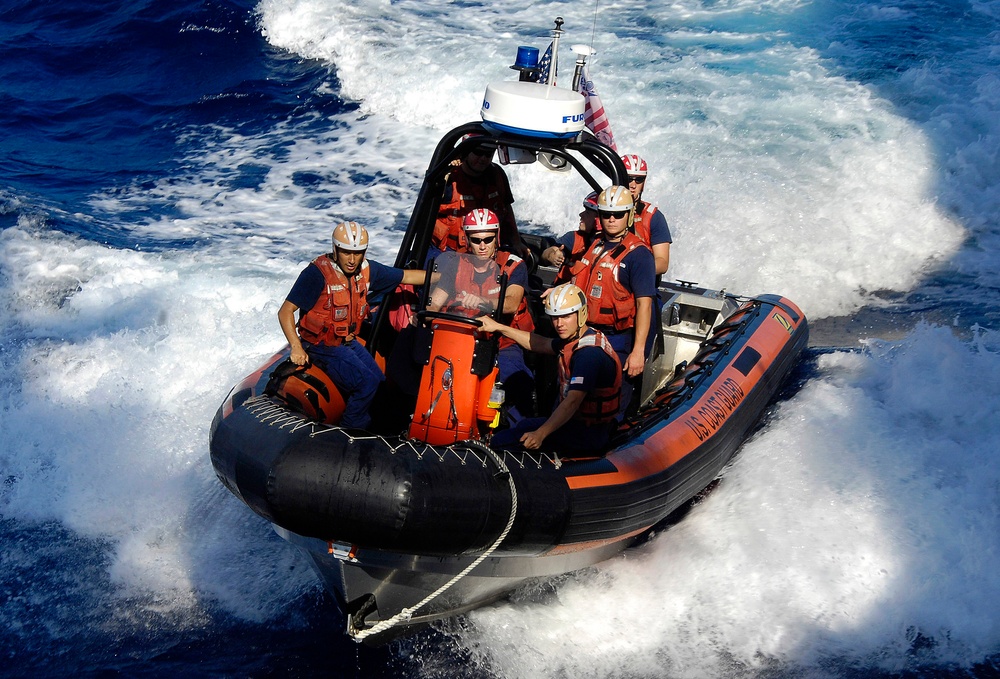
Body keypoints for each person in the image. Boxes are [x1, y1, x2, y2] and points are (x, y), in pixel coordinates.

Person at [278, 221, 428, 430]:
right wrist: (296, 347)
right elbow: (285, 311)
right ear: (335, 249)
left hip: (347, 342)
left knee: (379, 380)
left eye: (357, 253)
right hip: (321, 345)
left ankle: (378, 426)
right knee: (366, 383)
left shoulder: (367, 269)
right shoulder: (316, 274)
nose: (351, 259)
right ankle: (351, 431)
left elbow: (407, 276)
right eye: (346, 252)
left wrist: (445, 278)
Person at [479, 283, 621, 455]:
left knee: (503, 442)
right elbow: (540, 343)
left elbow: (572, 402)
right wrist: (499, 327)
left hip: (588, 433)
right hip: (576, 425)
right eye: (555, 317)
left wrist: (540, 434)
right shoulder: (579, 336)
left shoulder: (588, 355)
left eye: (566, 316)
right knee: (523, 426)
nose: (559, 324)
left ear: (581, 314)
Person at [427, 208, 535, 422]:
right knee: (433, 370)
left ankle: (516, 431)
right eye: (476, 240)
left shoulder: (513, 265)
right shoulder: (456, 265)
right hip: (463, 340)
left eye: (488, 239)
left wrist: (482, 301)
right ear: (467, 240)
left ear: (497, 237)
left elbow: (511, 303)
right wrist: (425, 314)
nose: (483, 245)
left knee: (513, 378)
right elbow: (435, 302)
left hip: (502, 341)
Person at [571, 185, 657, 414]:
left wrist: (638, 352)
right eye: (606, 214)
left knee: (611, 403)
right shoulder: (596, 244)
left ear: (628, 215)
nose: (611, 219)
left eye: (618, 214)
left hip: (618, 339)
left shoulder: (639, 255)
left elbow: (644, 305)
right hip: (587, 333)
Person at [432, 140, 525, 257]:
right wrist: (444, 175)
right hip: (448, 253)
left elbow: (507, 209)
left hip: (488, 252)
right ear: (466, 152)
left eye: (488, 154)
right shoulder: (448, 178)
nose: (483, 159)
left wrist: (516, 242)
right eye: (478, 153)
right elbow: (426, 211)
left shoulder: (497, 175)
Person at [621, 154, 672, 277]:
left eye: (639, 179)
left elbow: (662, 262)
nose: (633, 185)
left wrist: (631, 269)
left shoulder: (654, 217)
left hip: (638, 280)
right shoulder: (603, 211)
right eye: (629, 179)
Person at [541, 190, 601, 284]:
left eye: (587, 213)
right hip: (561, 291)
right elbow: (548, 252)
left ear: (599, 219)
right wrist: (552, 255)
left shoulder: (610, 247)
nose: (581, 215)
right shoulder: (574, 237)